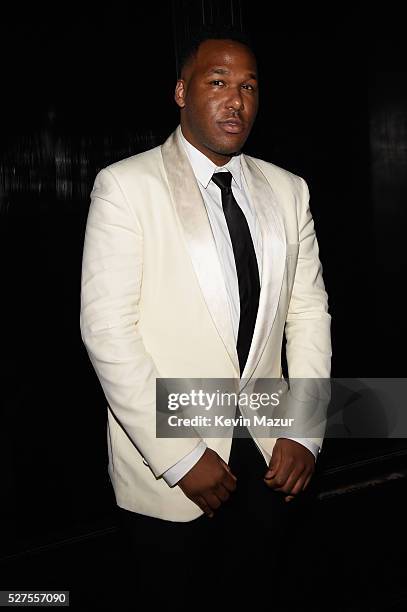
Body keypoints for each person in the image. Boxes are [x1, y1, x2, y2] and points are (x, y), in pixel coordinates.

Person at [80, 29, 331, 605]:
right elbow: (106, 331)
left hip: (271, 455)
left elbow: (309, 312)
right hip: (173, 460)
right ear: (180, 92)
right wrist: (181, 457)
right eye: (217, 82)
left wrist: (304, 429)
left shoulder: (290, 190)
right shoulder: (125, 186)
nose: (235, 100)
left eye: (248, 86)